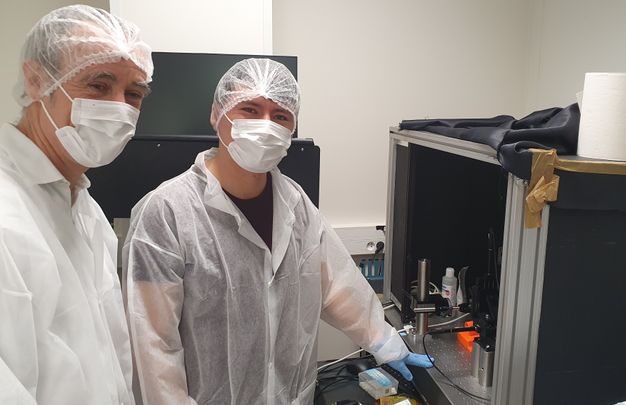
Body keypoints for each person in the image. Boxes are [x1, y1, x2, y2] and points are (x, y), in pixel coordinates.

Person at [124, 58, 431, 405]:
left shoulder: (295, 205)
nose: (265, 125)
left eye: (280, 116)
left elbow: (336, 286)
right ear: (217, 114)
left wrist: (387, 345)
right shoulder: (165, 213)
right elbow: (153, 346)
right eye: (250, 109)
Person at [0, 5, 152, 404]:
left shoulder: (86, 211)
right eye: (99, 85)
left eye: (133, 93)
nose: (120, 107)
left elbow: (110, 359)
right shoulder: (7, 211)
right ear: (36, 82)